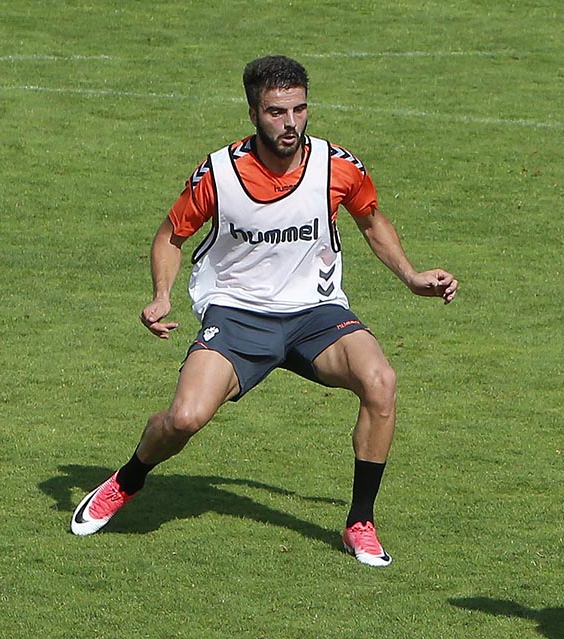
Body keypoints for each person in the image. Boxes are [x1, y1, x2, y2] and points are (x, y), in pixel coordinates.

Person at [70, 55, 458, 568]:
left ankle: (360, 521)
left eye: (299, 109)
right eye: (277, 112)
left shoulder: (338, 165)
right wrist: (161, 294)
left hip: (315, 313)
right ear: (253, 113)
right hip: (236, 314)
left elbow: (370, 220)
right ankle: (128, 480)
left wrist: (411, 277)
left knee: (380, 381)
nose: (291, 123)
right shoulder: (220, 172)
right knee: (185, 418)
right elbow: (171, 236)